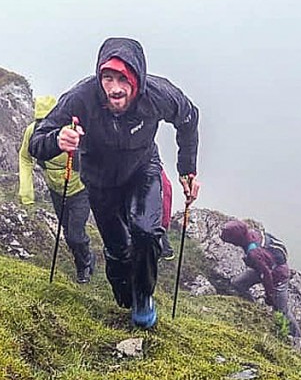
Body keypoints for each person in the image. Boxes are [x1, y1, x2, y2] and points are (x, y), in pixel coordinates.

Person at [29, 37, 200, 329]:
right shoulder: (81, 98)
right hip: (99, 180)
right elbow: (36, 142)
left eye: (124, 78)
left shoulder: (158, 95)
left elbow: (188, 118)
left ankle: (143, 297)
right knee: (118, 251)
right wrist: (57, 140)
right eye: (108, 78)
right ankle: (125, 297)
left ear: (137, 78)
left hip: (142, 168)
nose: (115, 88)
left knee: (146, 232)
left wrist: (187, 170)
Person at [18, 96, 95, 283]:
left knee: (76, 234)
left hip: (80, 190)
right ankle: (82, 261)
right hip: (56, 191)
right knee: (68, 233)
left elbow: (97, 156)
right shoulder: (33, 132)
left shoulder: (74, 131)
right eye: (40, 121)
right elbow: (25, 158)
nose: (45, 125)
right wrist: (27, 192)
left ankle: (85, 264)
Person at [219, 219, 301, 347]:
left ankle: (297, 338)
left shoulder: (254, 252)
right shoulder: (252, 233)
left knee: (281, 310)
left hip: (278, 276)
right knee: (237, 283)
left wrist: (270, 296)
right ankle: (254, 307)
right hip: (264, 267)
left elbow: (267, 276)